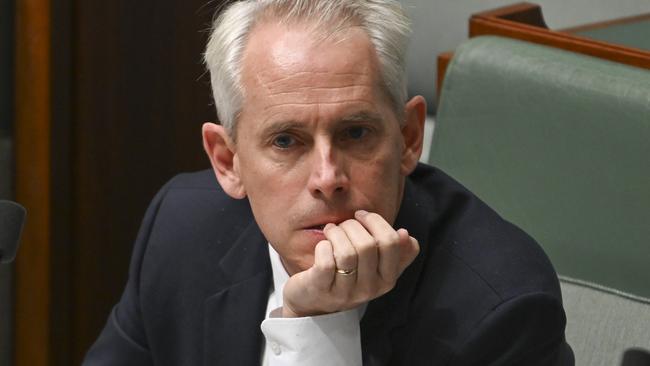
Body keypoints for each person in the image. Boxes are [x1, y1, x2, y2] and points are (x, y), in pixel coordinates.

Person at [83, 0, 573, 365]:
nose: (327, 178)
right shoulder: (181, 227)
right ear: (228, 161)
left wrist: (318, 329)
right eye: (286, 141)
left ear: (407, 138)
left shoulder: (503, 307)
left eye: (355, 132)